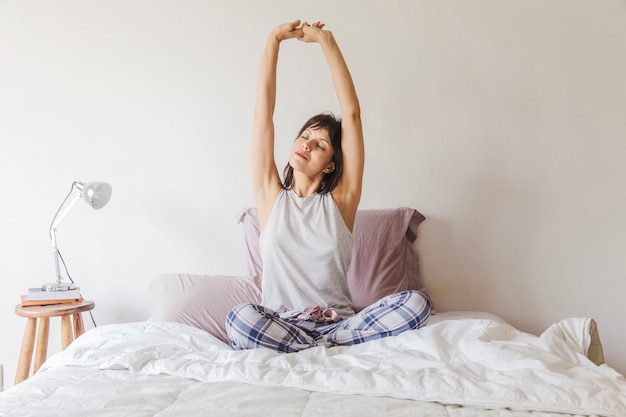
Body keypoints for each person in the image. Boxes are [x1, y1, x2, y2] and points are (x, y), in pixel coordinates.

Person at [226, 20, 431, 353]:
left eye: (320, 145)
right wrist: (274, 40)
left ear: (332, 163)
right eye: (304, 136)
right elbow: (262, 115)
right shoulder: (270, 196)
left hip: (338, 324)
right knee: (239, 318)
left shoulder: (341, 200)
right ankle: (314, 345)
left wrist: (326, 41)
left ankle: (322, 342)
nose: (306, 144)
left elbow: (351, 115)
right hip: (282, 323)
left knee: (416, 304)